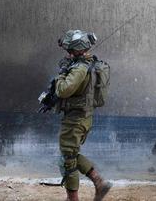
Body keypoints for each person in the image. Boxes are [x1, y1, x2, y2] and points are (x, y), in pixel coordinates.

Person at [49, 29, 112, 201]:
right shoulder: (88, 62)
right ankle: (99, 182)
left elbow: (63, 90)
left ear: (76, 50)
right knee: (71, 154)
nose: (67, 53)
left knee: (68, 159)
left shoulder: (79, 69)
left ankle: (74, 198)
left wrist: (62, 73)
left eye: (69, 50)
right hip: (82, 117)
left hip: (75, 119)